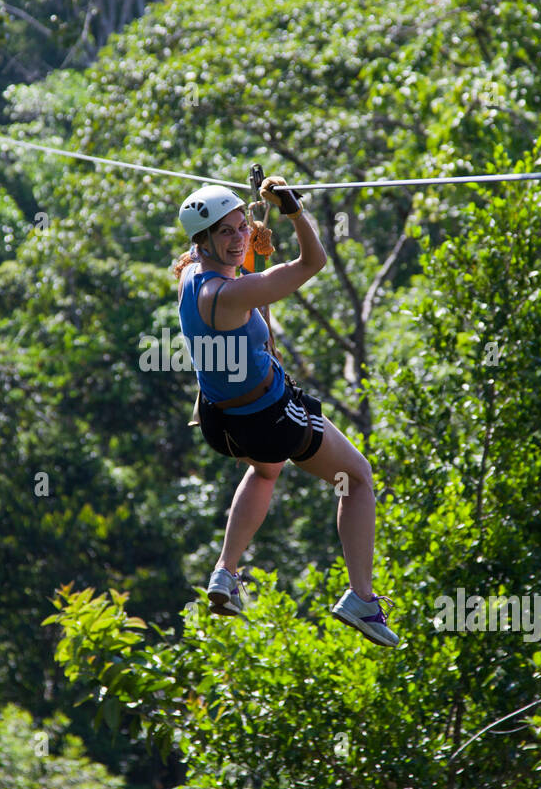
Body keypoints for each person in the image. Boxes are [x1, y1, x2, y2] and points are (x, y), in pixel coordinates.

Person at [170, 176, 398, 646]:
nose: (237, 240)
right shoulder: (233, 296)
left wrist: (251, 231)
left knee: (265, 472)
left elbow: (229, 261)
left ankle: (224, 573)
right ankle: (361, 599)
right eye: (226, 233)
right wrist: (294, 210)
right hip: (269, 419)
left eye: (239, 228)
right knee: (357, 476)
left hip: (220, 422)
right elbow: (313, 262)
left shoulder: (190, 275)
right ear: (204, 239)